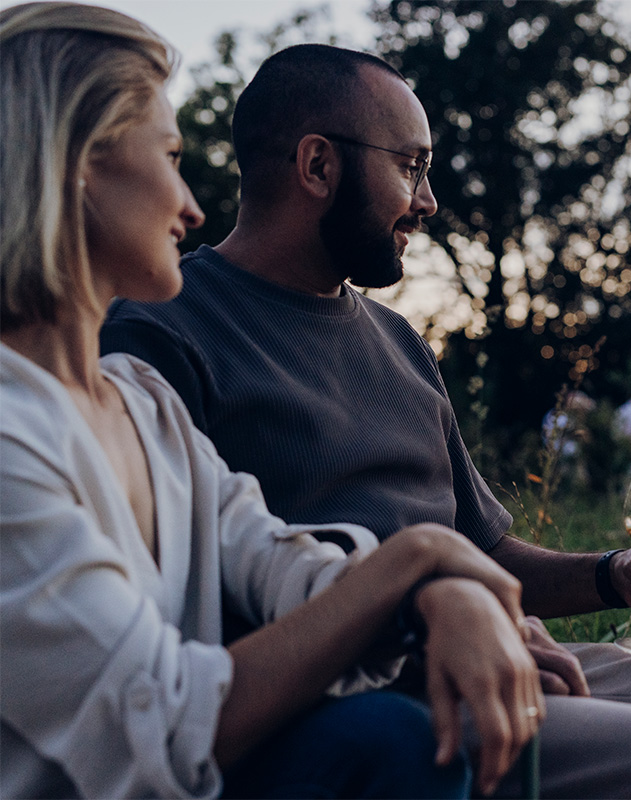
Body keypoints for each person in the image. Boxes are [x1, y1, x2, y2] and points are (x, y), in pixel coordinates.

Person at [101, 42, 631, 799]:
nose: (428, 201)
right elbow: (203, 589)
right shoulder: (161, 334)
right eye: (410, 166)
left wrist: (606, 572)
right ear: (318, 165)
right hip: (370, 697)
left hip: (504, 644)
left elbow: (484, 547)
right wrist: (430, 615)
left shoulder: (397, 341)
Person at [0, 6, 544, 798]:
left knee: (389, 740)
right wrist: (423, 559)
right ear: (77, 164)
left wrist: (438, 591)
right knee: (392, 739)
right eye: (173, 157)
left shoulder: (144, 407)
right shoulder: (13, 438)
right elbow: (164, 717)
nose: (192, 206)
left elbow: (280, 562)